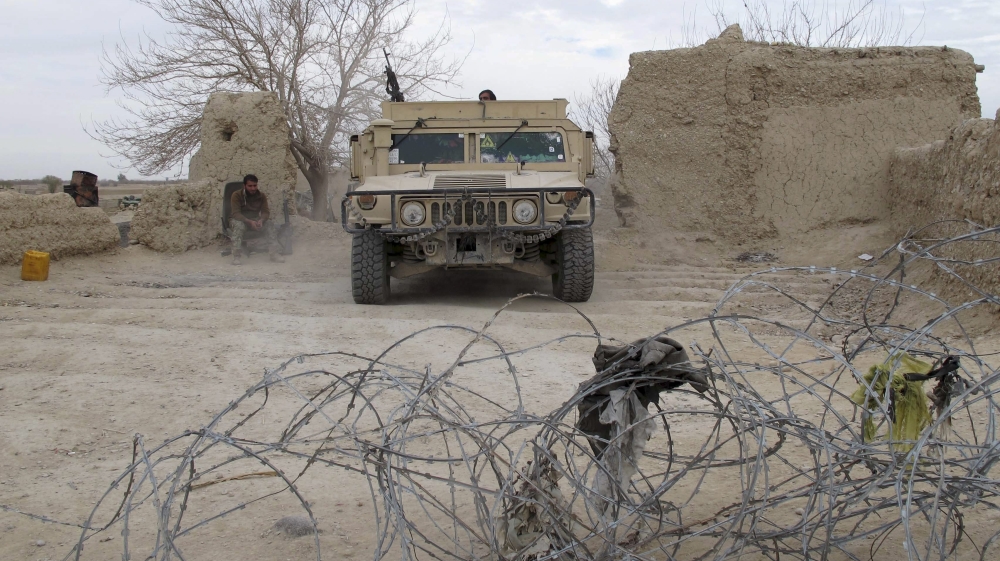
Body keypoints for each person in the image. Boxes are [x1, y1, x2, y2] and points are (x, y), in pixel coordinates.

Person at [229, 174, 284, 265]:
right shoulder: (236, 195)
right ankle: (236, 256)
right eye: (250, 186)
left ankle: (274, 254)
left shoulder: (261, 196)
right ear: (244, 186)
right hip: (239, 219)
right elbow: (236, 214)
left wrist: (261, 220)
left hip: (255, 219)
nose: (253, 188)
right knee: (239, 226)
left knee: (269, 224)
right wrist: (250, 222)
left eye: (255, 185)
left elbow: (265, 212)